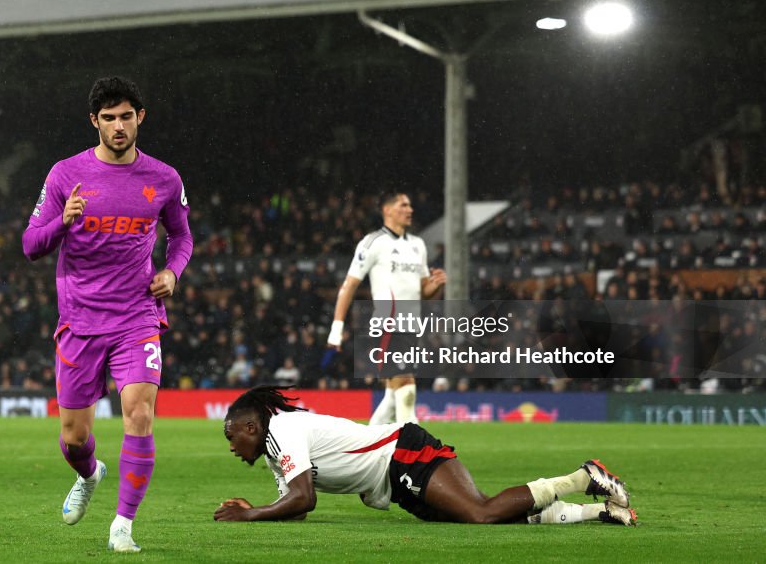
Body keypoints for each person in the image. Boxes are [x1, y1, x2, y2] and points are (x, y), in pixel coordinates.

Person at [22, 76, 193, 553]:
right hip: (79, 320)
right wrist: (64, 222)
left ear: (141, 118)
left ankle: (123, 525)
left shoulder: (164, 178)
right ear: (94, 122)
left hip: (137, 316)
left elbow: (182, 236)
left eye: (126, 116)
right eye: (109, 118)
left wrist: (173, 272)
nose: (119, 126)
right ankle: (89, 473)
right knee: (74, 438)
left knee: (139, 412)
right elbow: (31, 245)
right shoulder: (64, 175)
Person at [214, 386, 636, 527]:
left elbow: (304, 498)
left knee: (480, 513)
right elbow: (297, 510)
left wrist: (250, 516)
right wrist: (259, 508)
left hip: (403, 453)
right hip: (392, 482)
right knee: (486, 519)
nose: (233, 447)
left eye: (233, 437)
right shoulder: (274, 451)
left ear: (252, 427)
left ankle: (584, 476)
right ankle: (599, 514)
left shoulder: (284, 429)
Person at [327, 191, 446, 424]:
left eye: (410, 205)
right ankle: (410, 449)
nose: (410, 210)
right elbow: (350, 285)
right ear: (387, 210)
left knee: (394, 394)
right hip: (388, 323)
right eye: (403, 205)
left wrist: (437, 285)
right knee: (406, 386)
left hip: (412, 326)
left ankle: (366, 447)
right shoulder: (373, 243)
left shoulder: (418, 245)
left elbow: (425, 291)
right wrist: (336, 326)